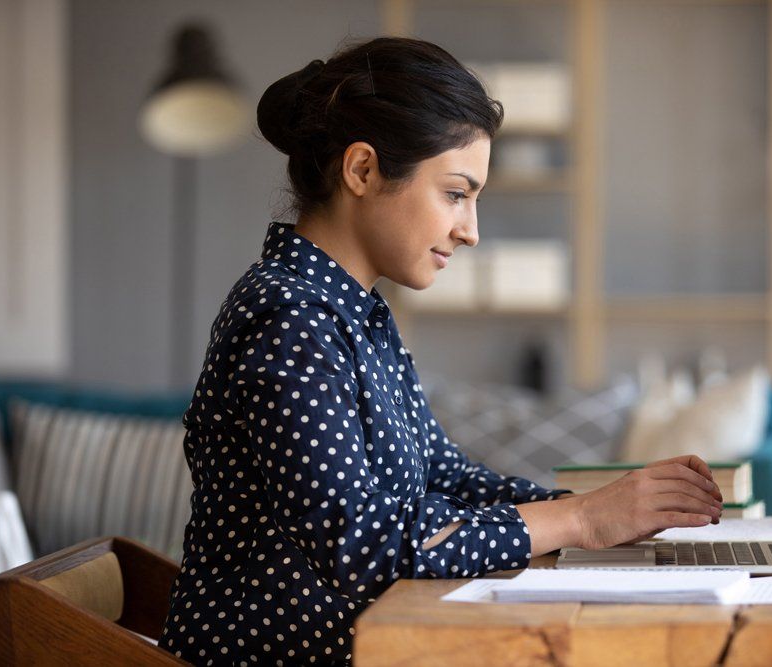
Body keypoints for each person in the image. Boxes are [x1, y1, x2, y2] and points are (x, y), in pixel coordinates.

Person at [158, 35, 725, 667]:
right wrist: (583, 523)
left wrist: (597, 511)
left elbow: (442, 475)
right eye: (456, 193)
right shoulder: (287, 316)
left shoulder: (358, 315)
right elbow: (365, 550)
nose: (471, 230)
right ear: (363, 170)